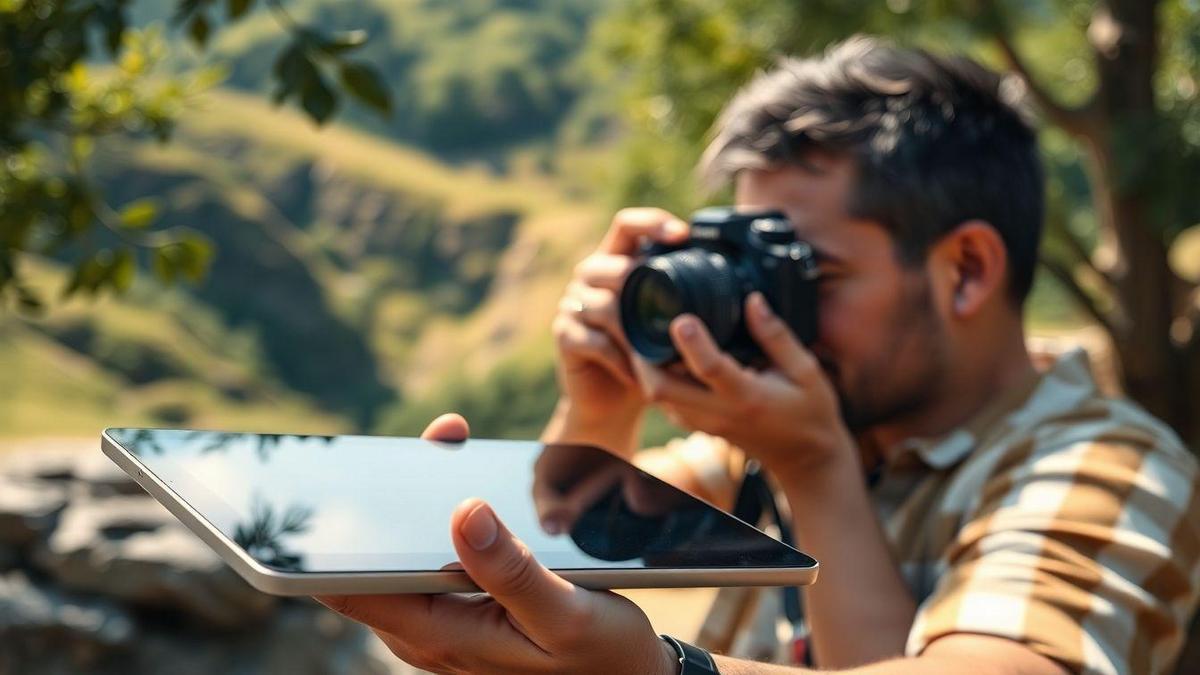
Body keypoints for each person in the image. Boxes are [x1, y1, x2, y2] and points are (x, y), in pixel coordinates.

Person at [318, 36, 1200, 674]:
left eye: (802, 272)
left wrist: (809, 473)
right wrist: (600, 406)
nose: (754, 311)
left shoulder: (1109, 467)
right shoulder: (753, 448)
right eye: (742, 263)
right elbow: (544, 555)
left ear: (964, 269)